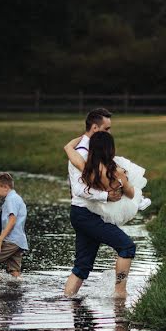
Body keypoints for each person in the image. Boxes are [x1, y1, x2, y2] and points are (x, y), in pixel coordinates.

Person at [63, 109, 136, 299]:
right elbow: (79, 190)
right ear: (95, 128)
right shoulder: (83, 153)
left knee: (82, 267)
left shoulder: (93, 151)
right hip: (85, 213)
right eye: (106, 129)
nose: (109, 133)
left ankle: (66, 302)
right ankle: (120, 295)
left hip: (89, 214)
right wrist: (107, 196)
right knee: (127, 247)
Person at [64, 136, 150, 226]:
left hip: (94, 206)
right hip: (113, 209)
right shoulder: (117, 172)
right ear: (110, 150)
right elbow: (131, 194)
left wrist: (84, 137)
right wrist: (125, 182)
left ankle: (139, 199)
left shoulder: (85, 168)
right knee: (128, 173)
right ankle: (140, 199)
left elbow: (67, 147)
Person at [0, 172, 28, 282]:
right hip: (19, 241)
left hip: (11, 240)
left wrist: (0, 239)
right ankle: (18, 291)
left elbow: (12, 220)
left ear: (6, 187)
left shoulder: (11, 199)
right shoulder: (16, 198)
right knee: (14, 272)